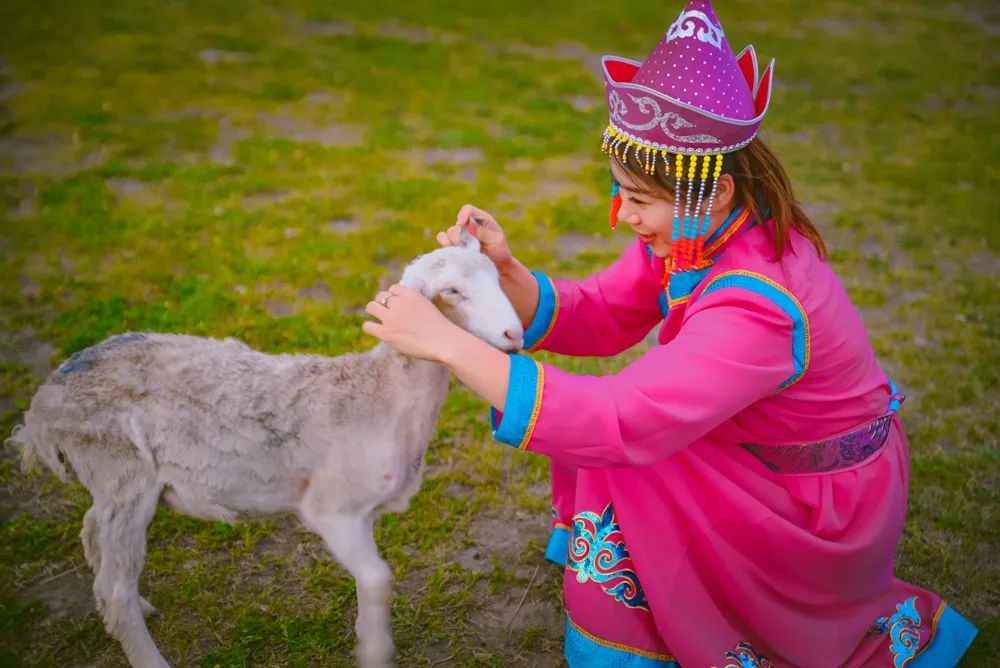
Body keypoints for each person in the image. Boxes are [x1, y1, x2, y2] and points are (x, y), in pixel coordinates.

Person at [362, 1, 978, 665]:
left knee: (625, 447)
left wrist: (448, 343)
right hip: (771, 454)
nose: (621, 214)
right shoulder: (706, 229)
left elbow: (617, 418)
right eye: (618, 189)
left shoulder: (758, 304)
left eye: (638, 197)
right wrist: (504, 269)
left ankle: (662, 628)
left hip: (818, 511)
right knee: (625, 433)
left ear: (708, 191)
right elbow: (605, 309)